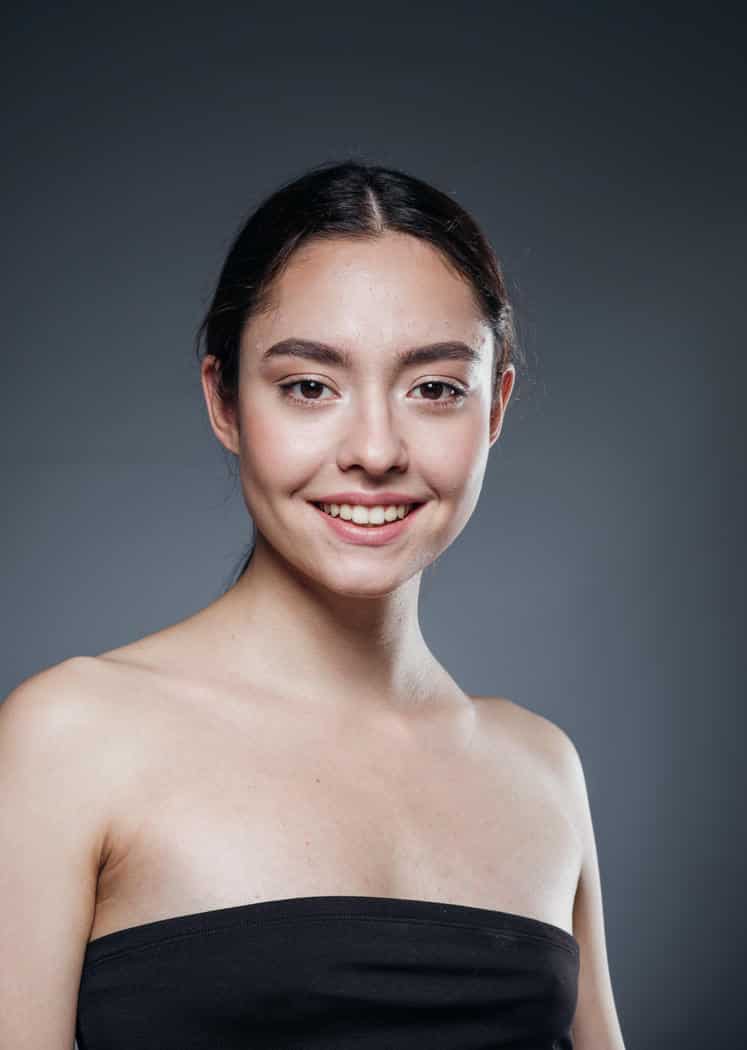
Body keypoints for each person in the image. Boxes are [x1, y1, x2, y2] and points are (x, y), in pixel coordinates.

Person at [0, 159, 625, 1049]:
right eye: (309, 386)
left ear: (494, 409)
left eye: (434, 388)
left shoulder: (538, 767)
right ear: (224, 400)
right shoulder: (70, 736)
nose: (374, 449)